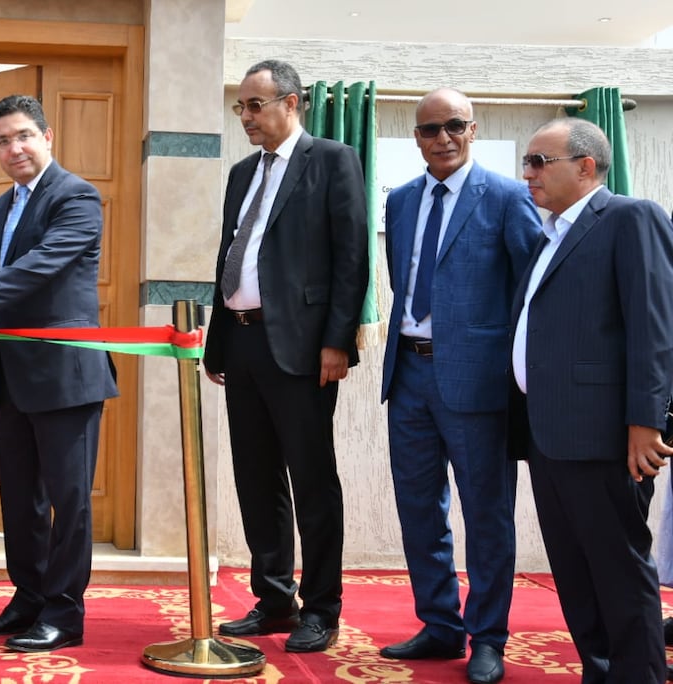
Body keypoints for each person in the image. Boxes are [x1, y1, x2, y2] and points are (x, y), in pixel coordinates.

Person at [0, 94, 118, 653]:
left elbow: (42, 266)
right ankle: (30, 597)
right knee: (21, 500)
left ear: (48, 137)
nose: (13, 148)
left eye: (23, 136)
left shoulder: (77, 197)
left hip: (66, 375)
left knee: (69, 500)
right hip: (13, 374)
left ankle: (65, 613)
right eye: (1, 140)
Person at [202, 59, 368, 653]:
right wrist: (216, 341)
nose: (244, 116)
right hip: (242, 341)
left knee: (312, 478)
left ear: (292, 103)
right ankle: (274, 598)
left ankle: (321, 608)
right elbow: (230, 255)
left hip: (301, 347)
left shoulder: (331, 160)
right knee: (255, 477)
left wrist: (336, 341)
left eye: (254, 105)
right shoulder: (243, 173)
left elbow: (350, 259)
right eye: (240, 107)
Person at [378, 89, 542, 684]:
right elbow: (404, 283)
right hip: (410, 375)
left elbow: (532, 287)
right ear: (415, 137)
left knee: (486, 512)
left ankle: (488, 638)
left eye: (453, 126)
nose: (441, 137)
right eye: (428, 130)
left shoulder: (505, 197)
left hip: (478, 381)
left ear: (472, 130)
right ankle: (440, 624)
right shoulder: (398, 201)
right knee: (419, 507)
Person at [510, 118, 673, 684]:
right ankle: (599, 672)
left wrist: (645, 422)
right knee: (575, 574)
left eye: (539, 162)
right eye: (525, 162)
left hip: (606, 435)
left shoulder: (630, 217)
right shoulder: (547, 235)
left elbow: (653, 328)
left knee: (619, 573)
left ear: (585, 166)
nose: (526, 173)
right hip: (549, 433)